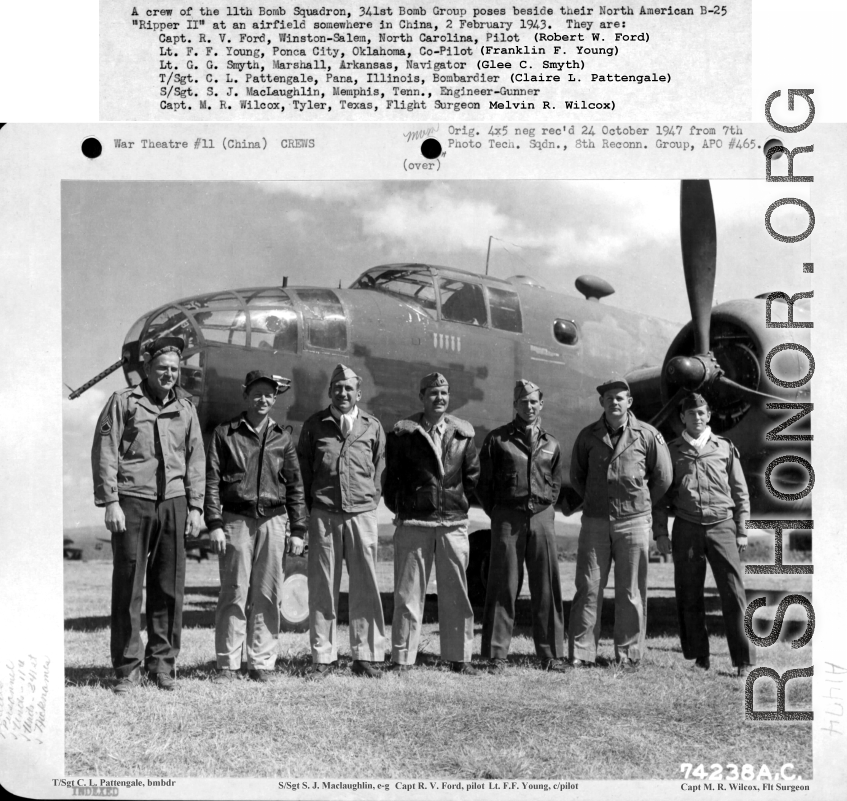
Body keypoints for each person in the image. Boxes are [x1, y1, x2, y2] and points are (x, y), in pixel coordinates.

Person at [91, 336, 204, 693]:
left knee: (169, 588)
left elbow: (195, 459)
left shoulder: (187, 409)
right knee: (128, 588)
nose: (169, 374)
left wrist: (197, 506)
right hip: (132, 502)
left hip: (173, 502)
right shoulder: (123, 402)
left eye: (174, 369)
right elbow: (106, 452)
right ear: (147, 370)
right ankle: (127, 668)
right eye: (162, 368)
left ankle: (163, 665)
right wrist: (110, 502)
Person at [205, 370, 308, 682]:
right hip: (237, 519)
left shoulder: (283, 438)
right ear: (245, 394)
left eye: (269, 394)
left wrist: (299, 529)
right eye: (257, 393)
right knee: (234, 592)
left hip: (274, 522)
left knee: (267, 593)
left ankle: (261, 663)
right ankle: (228, 664)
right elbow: (211, 481)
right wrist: (214, 522)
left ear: (274, 398)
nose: (263, 399)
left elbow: (295, 486)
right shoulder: (226, 434)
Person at [567, 376, 673, 671]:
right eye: (608, 398)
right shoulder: (588, 436)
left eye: (619, 397)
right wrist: (598, 499)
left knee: (630, 591)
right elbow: (577, 477)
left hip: (633, 522)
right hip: (595, 522)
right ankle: (581, 653)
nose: (614, 402)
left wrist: (638, 502)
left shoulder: (648, 435)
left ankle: (628, 655)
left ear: (629, 402)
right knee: (588, 587)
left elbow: (663, 477)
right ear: (601, 403)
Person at [653, 393, 757, 677]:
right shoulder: (671, 450)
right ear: (682, 418)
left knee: (734, 592)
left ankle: (744, 660)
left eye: (701, 413)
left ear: (708, 416)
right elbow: (661, 496)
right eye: (691, 414)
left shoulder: (724, 447)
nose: (696, 418)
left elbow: (741, 492)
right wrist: (660, 532)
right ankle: (700, 656)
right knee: (689, 593)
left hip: (722, 526)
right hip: (686, 527)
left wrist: (743, 530)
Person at [384, 372, 481, 675]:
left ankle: (459, 657)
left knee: (456, 595)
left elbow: (472, 478)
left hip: (452, 524)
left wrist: (455, 505)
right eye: (433, 393)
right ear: (422, 397)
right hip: (414, 523)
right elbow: (391, 481)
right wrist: (407, 507)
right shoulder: (404, 434)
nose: (440, 398)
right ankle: (402, 658)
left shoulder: (463, 434)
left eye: (444, 393)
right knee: (408, 595)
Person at [297, 364, 387, 679]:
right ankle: (322, 657)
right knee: (322, 587)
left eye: (349, 388)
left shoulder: (373, 426)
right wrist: (313, 510)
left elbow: (379, 471)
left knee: (366, 586)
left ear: (358, 393)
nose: (343, 393)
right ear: (330, 391)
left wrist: (369, 503)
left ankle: (367, 656)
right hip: (324, 514)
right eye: (338, 387)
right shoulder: (313, 426)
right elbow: (303, 473)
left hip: (362, 515)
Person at [477, 380, 567, 673]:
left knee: (547, 586)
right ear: (514, 405)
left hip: (542, 516)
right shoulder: (497, 440)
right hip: (508, 517)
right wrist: (500, 513)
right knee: (503, 584)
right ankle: (495, 654)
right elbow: (484, 485)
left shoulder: (551, 443)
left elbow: (554, 485)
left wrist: (543, 507)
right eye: (523, 402)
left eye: (534, 402)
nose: (529, 407)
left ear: (541, 405)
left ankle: (551, 655)